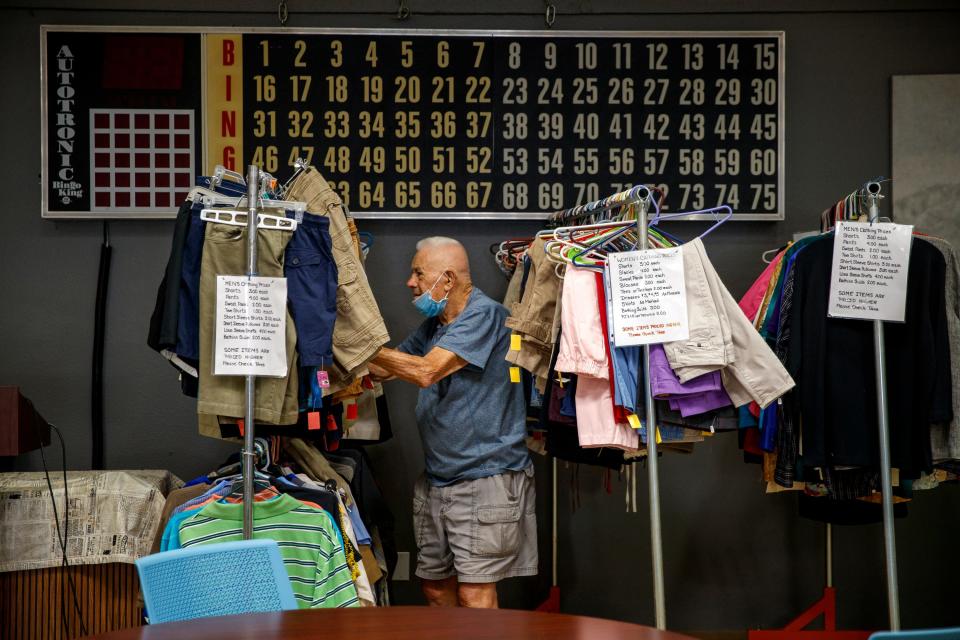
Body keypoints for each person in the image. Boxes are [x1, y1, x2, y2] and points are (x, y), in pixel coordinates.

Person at [368, 236, 537, 609]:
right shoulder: (436, 325)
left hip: (484, 478)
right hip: (439, 479)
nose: (410, 283)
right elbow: (387, 367)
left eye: (417, 273)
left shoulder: (485, 315)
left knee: (474, 593)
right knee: (434, 587)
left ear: (446, 280)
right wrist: (345, 352)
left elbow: (427, 371)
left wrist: (368, 350)